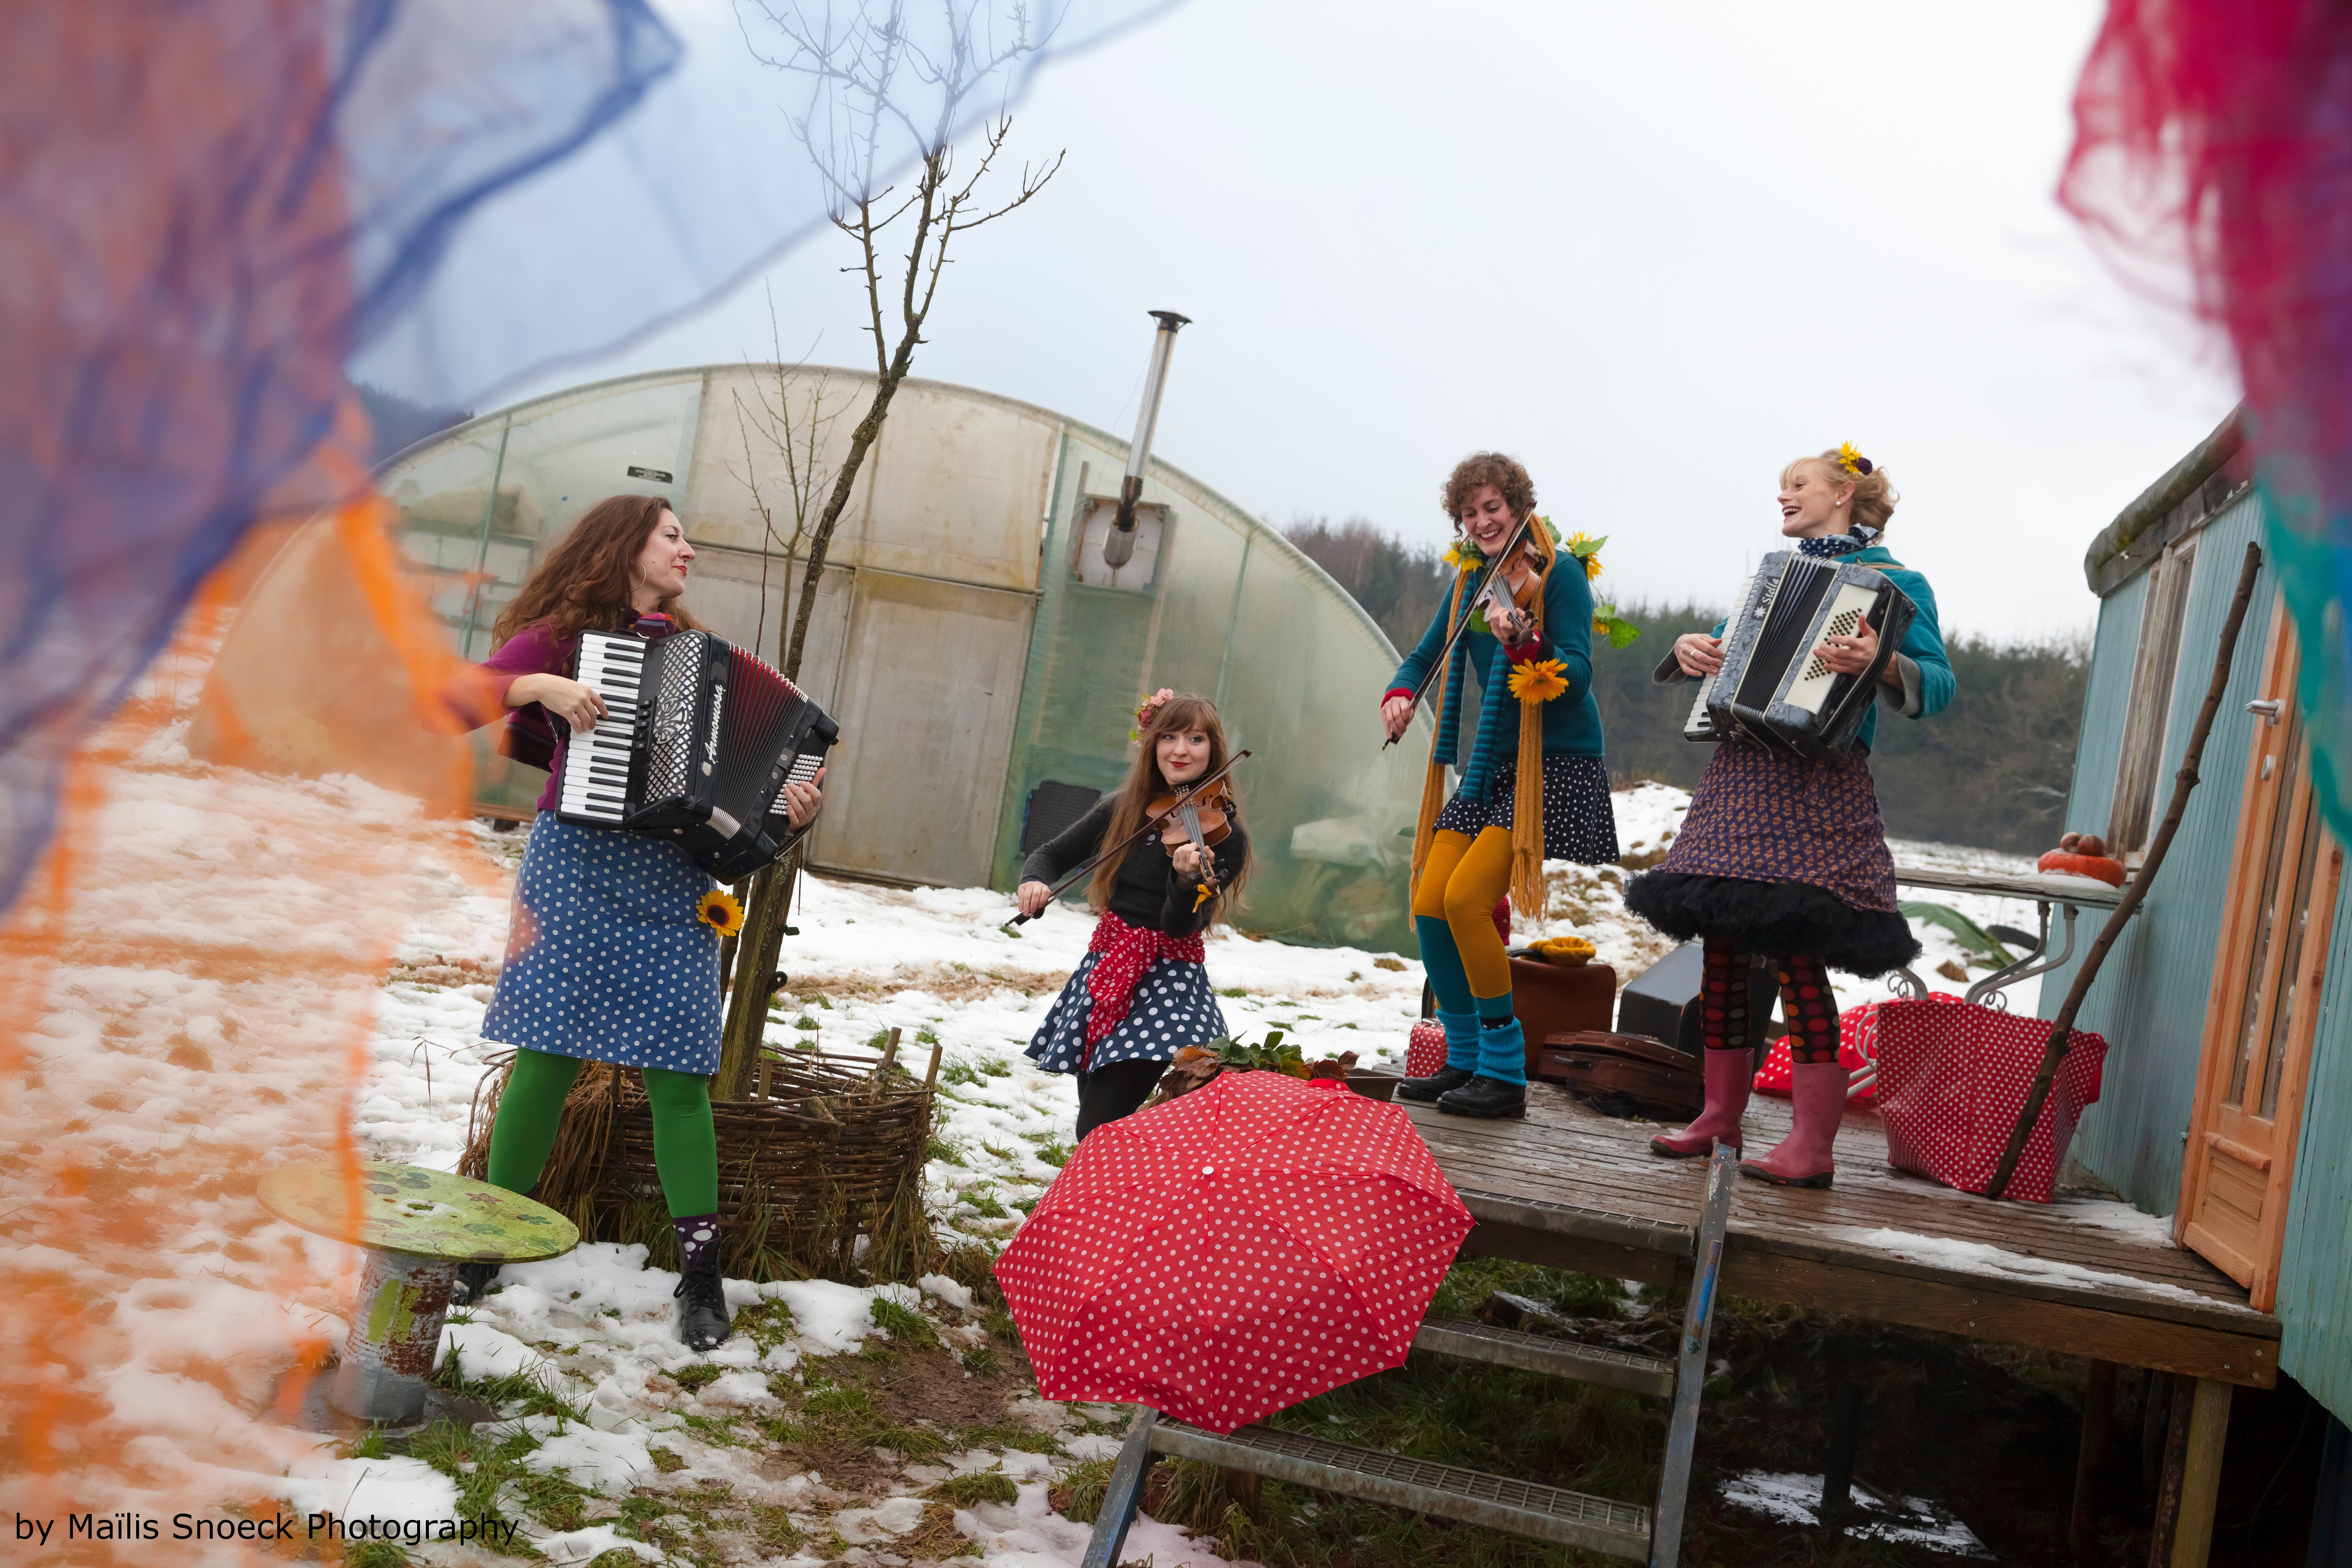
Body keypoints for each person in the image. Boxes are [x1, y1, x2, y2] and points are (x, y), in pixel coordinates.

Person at [456, 493, 824, 1349]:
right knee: (546, 1056)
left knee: (679, 1079)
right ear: (626, 544)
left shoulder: (694, 655)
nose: (688, 549)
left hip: (672, 879)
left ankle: (701, 1279)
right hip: (576, 870)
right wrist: (538, 684)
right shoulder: (560, 636)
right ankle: (487, 1241)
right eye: (673, 536)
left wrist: (788, 812)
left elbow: (743, 795)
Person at [1626, 445, 1952, 1189]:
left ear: (1843, 492)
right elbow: (1722, 653)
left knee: (1798, 951)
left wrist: (1886, 661)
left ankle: (1813, 1144)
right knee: (1721, 949)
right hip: (1740, 773)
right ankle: (1718, 1117)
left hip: (1818, 780)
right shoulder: (1772, 581)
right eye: (1780, 487)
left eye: (1795, 484)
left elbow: (1939, 685)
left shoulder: (1900, 585)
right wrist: (1687, 651)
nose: (1783, 497)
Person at [1381, 453, 1618, 1120]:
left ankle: (1505, 1073)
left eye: (1494, 508)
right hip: (1493, 766)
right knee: (1430, 901)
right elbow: (1425, 656)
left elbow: (1574, 673)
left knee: (1465, 902)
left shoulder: (1559, 574)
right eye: (1470, 512)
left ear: (1519, 507)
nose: (1483, 521)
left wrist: (1523, 641)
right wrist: (1400, 692)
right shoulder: (1470, 582)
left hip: (1554, 761)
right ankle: (1461, 1059)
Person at [1018, 692, 1251, 1139]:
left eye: (1196, 738)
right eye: (1170, 736)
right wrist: (1035, 880)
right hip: (1108, 969)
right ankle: (1110, 1197)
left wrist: (1184, 882)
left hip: (1166, 986)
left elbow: (1182, 926)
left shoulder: (1224, 835)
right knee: (1096, 1115)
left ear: (1215, 750)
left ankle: (1094, 1200)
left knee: (1097, 1127)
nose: (1181, 750)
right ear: (1153, 744)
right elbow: (1051, 854)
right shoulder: (1125, 809)